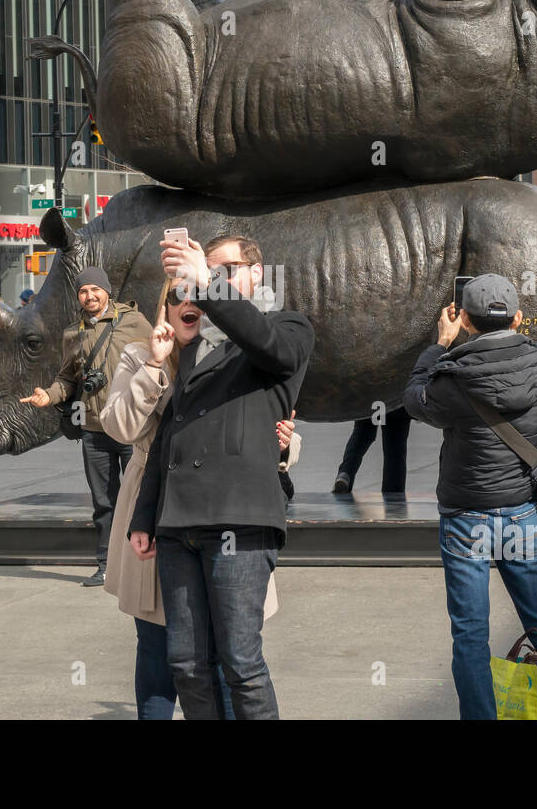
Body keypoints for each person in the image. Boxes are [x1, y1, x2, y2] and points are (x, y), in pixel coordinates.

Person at [129, 233, 314, 720]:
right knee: (186, 663)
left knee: (241, 663)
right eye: (208, 269)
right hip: (179, 525)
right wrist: (145, 516)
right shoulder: (195, 347)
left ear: (256, 272)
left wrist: (208, 281)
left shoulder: (286, 326)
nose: (214, 277)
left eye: (227, 268)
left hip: (239, 519)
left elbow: (272, 348)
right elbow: (170, 433)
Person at [403, 274, 537, 720]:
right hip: (522, 512)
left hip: (466, 518)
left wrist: (439, 346)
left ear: (463, 319)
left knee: (470, 635)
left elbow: (413, 400)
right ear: (518, 318)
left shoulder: (453, 373)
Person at [21, 267, 152, 586]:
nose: (89, 296)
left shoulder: (135, 322)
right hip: (95, 430)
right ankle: (106, 564)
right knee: (104, 501)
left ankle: (146, 562)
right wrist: (48, 395)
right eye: (83, 291)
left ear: (107, 290)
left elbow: (158, 362)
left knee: (140, 496)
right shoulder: (72, 333)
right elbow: (67, 379)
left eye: (95, 289)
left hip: (132, 427)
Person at [331, 406, 412, 499]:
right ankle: (393, 496)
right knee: (395, 444)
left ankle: (346, 472)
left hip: (371, 397)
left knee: (363, 433)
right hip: (394, 398)